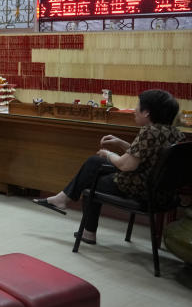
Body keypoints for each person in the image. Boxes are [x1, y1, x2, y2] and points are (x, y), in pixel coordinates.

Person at [32, 89, 185, 244]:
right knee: (93, 163)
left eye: (138, 106)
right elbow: (143, 155)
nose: (134, 110)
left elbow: (126, 165)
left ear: (147, 112)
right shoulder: (174, 133)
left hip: (140, 189)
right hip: (163, 192)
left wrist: (108, 154)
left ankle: (84, 227)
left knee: (90, 180)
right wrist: (120, 142)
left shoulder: (149, 132)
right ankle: (64, 200)